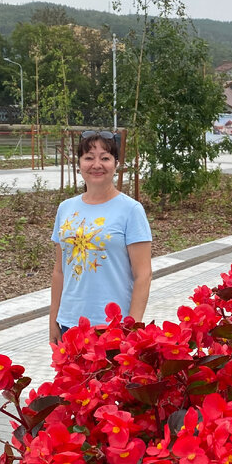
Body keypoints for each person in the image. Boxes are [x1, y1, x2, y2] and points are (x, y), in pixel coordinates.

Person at [49, 131, 152, 343]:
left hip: (114, 326)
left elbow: (144, 275)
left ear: (116, 163)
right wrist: (53, 320)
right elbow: (59, 271)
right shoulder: (66, 208)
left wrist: (131, 328)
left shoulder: (131, 210)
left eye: (105, 158)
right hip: (70, 324)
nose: (97, 165)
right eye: (88, 157)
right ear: (79, 164)